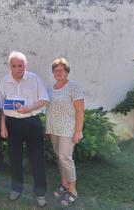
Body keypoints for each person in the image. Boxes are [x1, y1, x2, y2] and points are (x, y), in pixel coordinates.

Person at [0, 51, 49, 207]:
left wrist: (29, 108)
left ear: (25, 65)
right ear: (10, 67)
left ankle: (40, 193)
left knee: (37, 158)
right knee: (15, 157)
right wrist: (2, 125)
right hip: (12, 123)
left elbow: (44, 100)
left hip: (31, 122)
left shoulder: (34, 79)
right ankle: (16, 188)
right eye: (14, 66)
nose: (17, 69)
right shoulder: (5, 81)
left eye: (20, 65)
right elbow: (1, 105)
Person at [46, 57, 84, 207]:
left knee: (65, 157)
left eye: (61, 70)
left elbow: (80, 111)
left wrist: (78, 131)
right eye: (56, 70)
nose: (58, 72)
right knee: (59, 157)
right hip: (54, 129)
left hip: (68, 129)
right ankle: (63, 185)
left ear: (67, 71)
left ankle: (72, 190)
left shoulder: (73, 87)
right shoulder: (51, 88)